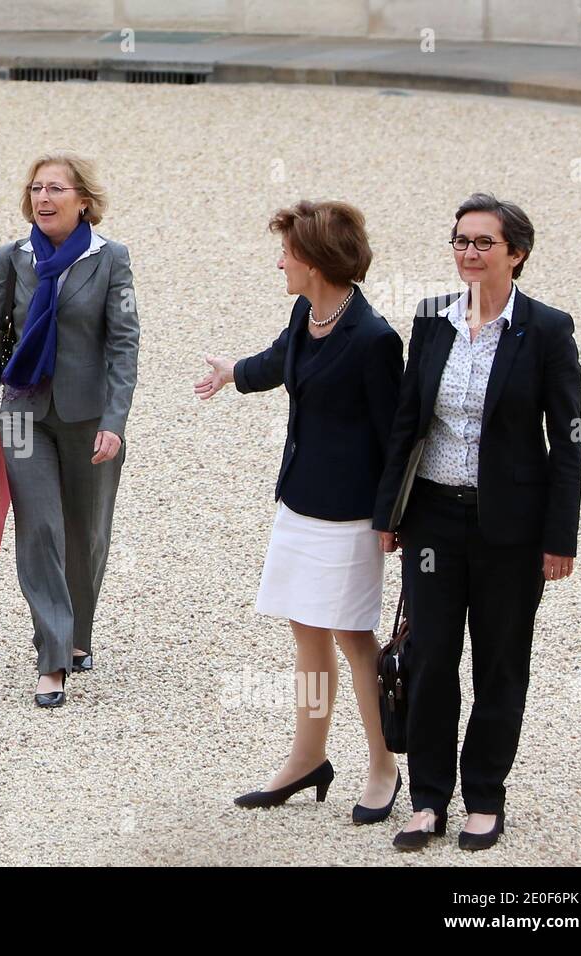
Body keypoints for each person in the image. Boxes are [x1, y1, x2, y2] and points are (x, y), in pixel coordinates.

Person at [373, 193, 581, 851]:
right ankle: (428, 799)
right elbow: (408, 421)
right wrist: (389, 514)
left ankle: (484, 796)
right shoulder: (432, 319)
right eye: (460, 240)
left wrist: (559, 536)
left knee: (499, 664)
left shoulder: (547, 330)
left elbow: (567, 441)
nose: (468, 252)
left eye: (482, 242)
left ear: (515, 254)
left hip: (512, 530)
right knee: (431, 658)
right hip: (433, 518)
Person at [195, 200, 404, 822]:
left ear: (313, 261)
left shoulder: (374, 339)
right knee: (305, 630)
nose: (279, 261)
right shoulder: (305, 312)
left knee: (352, 636)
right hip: (299, 504)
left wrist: (393, 517)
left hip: (351, 517)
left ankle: (383, 764)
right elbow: (283, 358)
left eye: (286, 251)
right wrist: (235, 373)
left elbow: (396, 436)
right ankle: (308, 756)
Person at [0, 151, 139, 708]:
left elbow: (123, 345)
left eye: (57, 189)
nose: (43, 197)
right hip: (22, 412)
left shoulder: (110, 259)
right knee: (39, 529)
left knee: (86, 532)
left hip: (90, 416)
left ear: (83, 200)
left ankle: (79, 634)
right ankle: (53, 657)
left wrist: (115, 422)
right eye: (37, 187)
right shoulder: (11, 257)